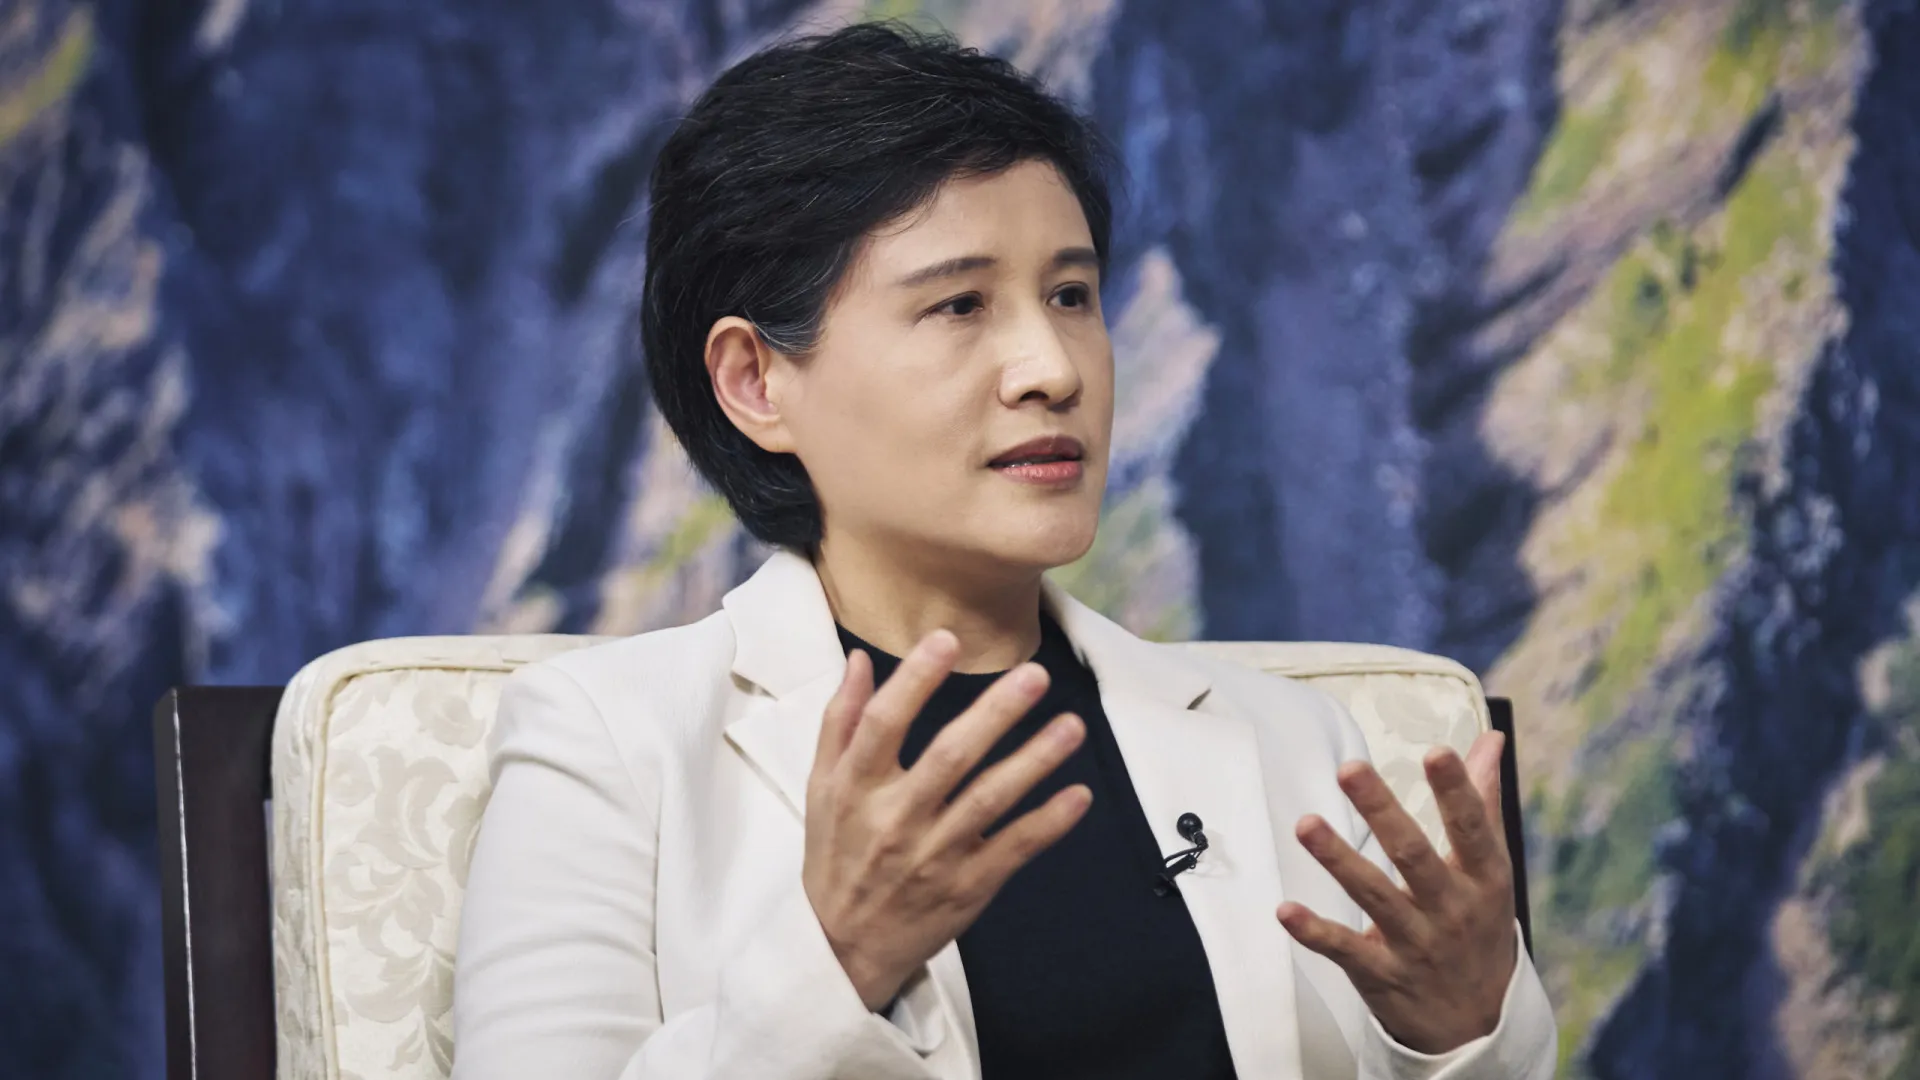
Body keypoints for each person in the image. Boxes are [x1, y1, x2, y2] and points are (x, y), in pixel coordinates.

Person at [450, 22, 1556, 1080]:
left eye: (1072, 295)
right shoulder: (609, 745)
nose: (1053, 369)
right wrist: (831, 965)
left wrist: (1458, 1037)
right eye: (960, 305)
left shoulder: (1290, 741)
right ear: (756, 381)